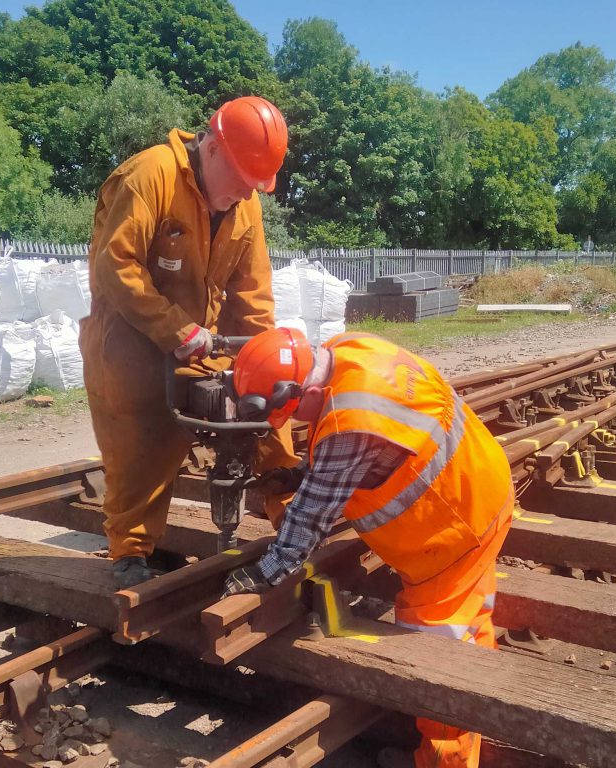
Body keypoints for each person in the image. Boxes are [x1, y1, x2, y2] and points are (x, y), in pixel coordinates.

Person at [223, 327, 514, 768]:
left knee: (436, 647)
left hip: (452, 533)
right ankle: (479, 693)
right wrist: (302, 473)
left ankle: (444, 761)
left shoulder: (349, 422)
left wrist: (268, 571)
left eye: (298, 413)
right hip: (480, 487)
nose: (301, 423)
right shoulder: (351, 348)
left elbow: (314, 516)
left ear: (311, 387)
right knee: (472, 618)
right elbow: (369, 450)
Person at [79, 96, 298, 589]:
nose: (245, 193)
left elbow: (252, 292)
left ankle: (296, 522)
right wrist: (178, 332)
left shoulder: (245, 204)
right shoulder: (150, 175)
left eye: (254, 186)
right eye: (241, 179)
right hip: (128, 340)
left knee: (270, 410)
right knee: (143, 443)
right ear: (213, 148)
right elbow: (117, 267)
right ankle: (131, 554)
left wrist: (267, 359)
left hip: (202, 339)